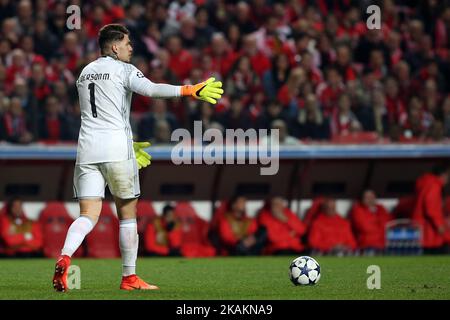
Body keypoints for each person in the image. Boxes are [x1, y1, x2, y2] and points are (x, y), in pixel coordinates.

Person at [52, 24, 223, 292]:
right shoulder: (124, 70)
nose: (131, 48)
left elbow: (103, 111)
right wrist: (190, 90)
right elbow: (153, 90)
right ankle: (129, 278)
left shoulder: (84, 73)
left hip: (86, 149)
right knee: (127, 214)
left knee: (88, 214)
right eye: (128, 43)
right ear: (115, 47)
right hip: (117, 150)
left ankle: (64, 256)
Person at [411, 164, 450, 253]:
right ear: (444, 174)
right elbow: (431, 208)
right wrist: (439, 225)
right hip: (430, 229)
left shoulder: (425, 183)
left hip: (422, 226)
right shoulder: (434, 185)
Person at [349, 189, 392, 254]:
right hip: (366, 246)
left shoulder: (381, 209)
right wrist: (376, 218)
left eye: (372, 197)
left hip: (383, 246)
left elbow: (388, 225)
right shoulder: (357, 210)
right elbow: (365, 227)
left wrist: (375, 219)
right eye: (367, 197)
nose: (370, 199)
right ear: (362, 199)